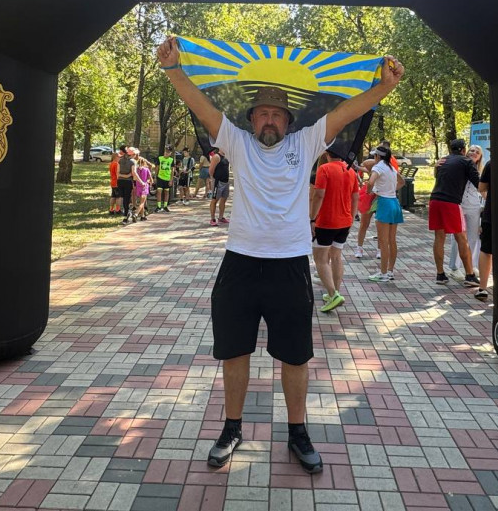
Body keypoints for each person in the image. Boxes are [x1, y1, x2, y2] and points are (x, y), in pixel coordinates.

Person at [157, 36, 404, 475]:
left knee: (295, 355)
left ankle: (297, 432)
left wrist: (384, 86)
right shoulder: (236, 142)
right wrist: (174, 69)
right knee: (234, 352)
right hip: (239, 262)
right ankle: (232, 428)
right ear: (251, 119)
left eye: (277, 114)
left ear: (288, 121)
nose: (269, 120)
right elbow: (200, 105)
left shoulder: (306, 142)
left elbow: (348, 111)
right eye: (262, 114)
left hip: (289, 265)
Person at [310, 148, 359, 312]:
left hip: (326, 221)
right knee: (336, 256)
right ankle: (335, 292)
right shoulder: (350, 170)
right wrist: (351, 217)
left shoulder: (324, 169)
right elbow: (355, 197)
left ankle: (333, 294)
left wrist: (312, 218)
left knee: (320, 259)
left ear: (327, 154)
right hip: (344, 221)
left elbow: (319, 195)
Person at [429, 139, 480, 286]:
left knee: (439, 238)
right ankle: (470, 276)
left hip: (435, 200)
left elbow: (438, 176)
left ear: (451, 149)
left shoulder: (443, 160)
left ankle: (440, 275)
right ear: (464, 150)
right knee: (461, 238)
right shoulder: (467, 162)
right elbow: (478, 184)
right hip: (451, 203)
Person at [365, 145, 404, 282]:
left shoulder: (378, 167)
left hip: (384, 203)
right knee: (392, 240)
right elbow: (402, 182)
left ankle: (383, 273)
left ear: (377, 156)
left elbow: (370, 182)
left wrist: (369, 191)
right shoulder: (391, 167)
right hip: (394, 202)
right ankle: (390, 271)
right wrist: (391, 189)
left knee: (383, 241)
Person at [447, 145, 484, 276]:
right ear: (466, 152)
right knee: (457, 236)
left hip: (474, 206)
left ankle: (471, 265)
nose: (474, 153)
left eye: (477, 152)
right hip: (459, 204)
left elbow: (483, 190)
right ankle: (454, 268)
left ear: (480, 157)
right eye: (472, 150)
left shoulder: (481, 172)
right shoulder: (458, 166)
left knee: (473, 237)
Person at [475, 160, 493, 300]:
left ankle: (482, 288)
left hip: (492, 214)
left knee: (486, 250)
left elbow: (481, 188)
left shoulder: (491, 164)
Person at [208, 146, 230, 226]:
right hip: (218, 182)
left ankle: (221, 217)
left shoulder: (227, 157)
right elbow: (211, 170)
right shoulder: (216, 156)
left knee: (223, 199)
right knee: (214, 200)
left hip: (225, 181)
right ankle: (212, 218)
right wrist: (214, 180)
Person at [116, 145, 137, 223]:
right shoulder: (133, 161)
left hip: (120, 181)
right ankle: (127, 214)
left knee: (123, 198)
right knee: (127, 198)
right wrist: (128, 176)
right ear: (132, 154)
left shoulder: (120, 161)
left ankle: (128, 212)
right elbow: (133, 173)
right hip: (128, 182)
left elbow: (117, 173)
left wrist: (122, 176)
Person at [133, 155, 153, 221]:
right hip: (144, 187)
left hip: (138, 187)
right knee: (142, 203)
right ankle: (136, 214)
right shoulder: (146, 169)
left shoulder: (136, 170)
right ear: (144, 162)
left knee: (141, 202)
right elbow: (151, 179)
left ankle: (142, 216)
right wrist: (149, 182)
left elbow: (134, 178)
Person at [156, 146, 174, 212]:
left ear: (170, 153)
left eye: (168, 152)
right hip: (160, 177)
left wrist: (171, 180)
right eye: (166, 151)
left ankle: (165, 206)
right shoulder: (160, 158)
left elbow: (172, 170)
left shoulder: (171, 160)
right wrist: (155, 177)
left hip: (167, 178)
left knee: (166, 192)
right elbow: (157, 168)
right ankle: (159, 206)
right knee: (159, 192)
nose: (166, 153)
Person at [108, 150, 122, 216]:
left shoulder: (111, 163)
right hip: (117, 182)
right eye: (119, 157)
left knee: (113, 196)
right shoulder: (116, 164)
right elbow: (117, 174)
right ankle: (118, 210)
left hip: (112, 182)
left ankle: (111, 209)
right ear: (115, 157)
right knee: (118, 197)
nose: (120, 158)